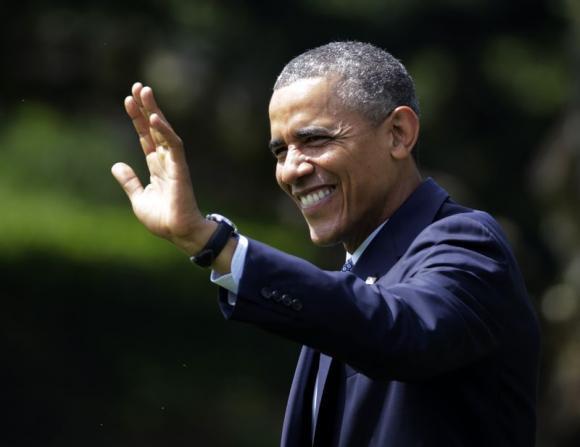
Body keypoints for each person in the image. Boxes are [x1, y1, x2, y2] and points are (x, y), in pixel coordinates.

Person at [112, 41, 540, 446]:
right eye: (280, 151)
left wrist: (213, 243)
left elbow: (401, 331)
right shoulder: (356, 282)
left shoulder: (466, 241)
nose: (291, 171)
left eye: (315, 139)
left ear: (398, 133)